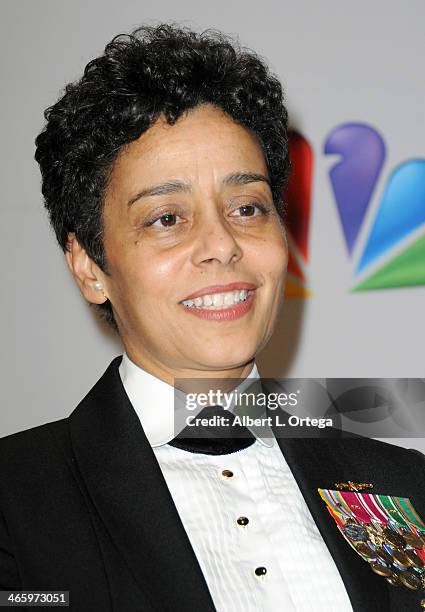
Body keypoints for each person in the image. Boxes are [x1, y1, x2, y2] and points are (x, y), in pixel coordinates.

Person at [1, 23, 424, 612]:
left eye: (247, 207)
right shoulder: (16, 501)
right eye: (167, 218)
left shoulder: (406, 486)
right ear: (89, 266)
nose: (221, 244)